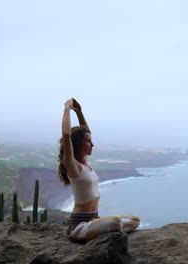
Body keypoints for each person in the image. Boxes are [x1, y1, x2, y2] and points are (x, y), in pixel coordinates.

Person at [58, 97, 140, 242]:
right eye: (88, 141)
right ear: (77, 144)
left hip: (94, 220)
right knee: (115, 221)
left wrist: (79, 112)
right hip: (80, 226)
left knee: (135, 220)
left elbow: (86, 131)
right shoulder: (73, 165)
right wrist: (67, 109)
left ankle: (103, 228)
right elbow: (66, 135)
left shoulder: (85, 164)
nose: (93, 144)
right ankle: (103, 229)